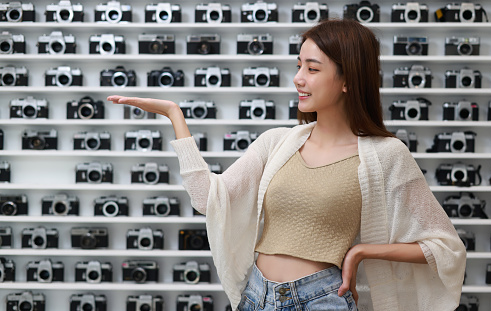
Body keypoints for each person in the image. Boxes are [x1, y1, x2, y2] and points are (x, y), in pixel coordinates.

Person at [108, 19, 466, 311]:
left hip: (322, 299)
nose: (298, 79)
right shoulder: (277, 142)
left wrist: (360, 252)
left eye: (312, 69)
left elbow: (444, 246)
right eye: (298, 66)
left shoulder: (386, 154)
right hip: (255, 296)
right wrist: (175, 116)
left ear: (348, 80)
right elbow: (208, 199)